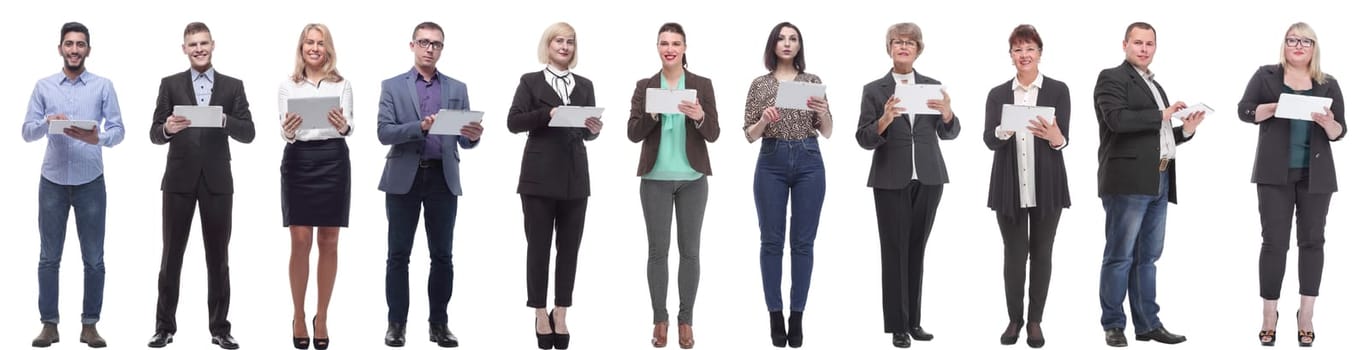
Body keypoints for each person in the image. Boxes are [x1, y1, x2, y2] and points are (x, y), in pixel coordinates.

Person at [1093, 21, 1206, 348]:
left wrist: (1185, 129)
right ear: (1125, 44)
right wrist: (1162, 114)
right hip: (1126, 181)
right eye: (1138, 43)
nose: (1144, 49)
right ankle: (1113, 324)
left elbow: (1158, 137)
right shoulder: (1111, 78)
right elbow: (1117, 120)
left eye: (1149, 44)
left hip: (1159, 177)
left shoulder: (1155, 85)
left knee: (1148, 257)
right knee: (1120, 256)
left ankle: (1147, 324)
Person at [147, 21, 256, 350]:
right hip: (179, 180)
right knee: (171, 257)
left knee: (218, 258)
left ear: (212, 45)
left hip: (218, 182)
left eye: (203, 43)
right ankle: (164, 327)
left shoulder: (232, 87)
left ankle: (220, 329)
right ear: (184, 49)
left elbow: (249, 132)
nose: (198, 49)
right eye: (192, 44)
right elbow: (154, 133)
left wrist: (224, 119)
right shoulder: (170, 85)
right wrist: (166, 128)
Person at [1237, 22, 1344, 348]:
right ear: (1284, 45)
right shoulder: (1265, 76)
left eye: (1305, 41)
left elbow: (1341, 131)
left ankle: (1306, 315)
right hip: (1274, 175)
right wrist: (1273, 108)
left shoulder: (1328, 84)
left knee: (1313, 242)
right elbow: (1244, 111)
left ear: (1314, 48)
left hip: (1316, 176)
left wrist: (1328, 123)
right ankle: (1270, 315)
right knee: (1274, 243)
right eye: (1292, 40)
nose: (1298, 45)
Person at [377, 21, 484, 349]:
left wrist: (473, 137)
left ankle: (439, 323)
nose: (429, 48)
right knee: (398, 255)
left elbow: (463, 140)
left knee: (442, 256)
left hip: (442, 177)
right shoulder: (393, 86)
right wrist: (419, 127)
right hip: (403, 178)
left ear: (442, 49)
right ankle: (396, 324)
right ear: (412, 46)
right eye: (423, 42)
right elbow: (384, 133)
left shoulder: (457, 88)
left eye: (436, 44)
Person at [854, 22, 960, 349]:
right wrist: (885, 120)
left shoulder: (932, 86)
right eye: (897, 42)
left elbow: (950, 132)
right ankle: (897, 326)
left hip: (928, 177)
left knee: (916, 250)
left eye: (909, 43)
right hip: (890, 179)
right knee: (894, 251)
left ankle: (914, 321)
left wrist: (947, 114)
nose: (903, 47)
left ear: (918, 49)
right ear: (889, 48)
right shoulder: (875, 89)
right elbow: (863, 137)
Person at [22, 21, 124, 349]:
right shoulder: (43, 87)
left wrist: (100, 137)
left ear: (88, 50)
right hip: (52, 182)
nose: (75, 49)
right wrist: (45, 124)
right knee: (49, 257)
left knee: (94, 258)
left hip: (90, 182)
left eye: (81, 44)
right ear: (60, 49)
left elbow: (119, 129)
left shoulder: (103, 86)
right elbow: (26, 131)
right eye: (69, 44)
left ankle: (90, 326)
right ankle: (49, 325)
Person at [506, 22, 603, 350]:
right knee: (538, 247)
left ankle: (561, 310)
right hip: (539, 175)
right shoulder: (530, 82)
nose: (565, 46)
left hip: (575, 176)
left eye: (570, 42)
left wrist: (593, 128)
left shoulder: (585, 85)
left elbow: (588, 132)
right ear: (547, 45)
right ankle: (539, 312)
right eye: (559, 41)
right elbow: (513, 122)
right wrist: (547, 112)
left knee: (570, 248)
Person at [627, 22, 720, 350]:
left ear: (684, 48)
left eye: (676, 43)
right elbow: (632, 133)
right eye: (664, 43)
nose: (670, 48)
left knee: (690, 252)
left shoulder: (701, 85)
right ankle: (659, 319)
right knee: (657, 252)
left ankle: (686, 321)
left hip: (693, 179)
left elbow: (714, 133)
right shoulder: (645, 86)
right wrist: (651, 115)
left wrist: (699, 116)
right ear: (657, 47)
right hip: (655, 180)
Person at [741, 21, 832, 349]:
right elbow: (749, 135)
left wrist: (822, 111)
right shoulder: (760, 84)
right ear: (773, 44)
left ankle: (797, 316)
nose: (787, 43)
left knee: (803, 243)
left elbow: (828, 131)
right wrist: (765, 120)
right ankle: (775, 314)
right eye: (781, 38)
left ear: (799, 46)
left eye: (793, 39)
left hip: (809, 158)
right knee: (771, 242)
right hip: (771, 160)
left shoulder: (812, 81)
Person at [981, 24, 1070, 349]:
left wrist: (1056, 138)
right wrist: (1004, 129)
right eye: (1018, 49)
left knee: (1042, 253)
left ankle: (1035, 321)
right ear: (1011, 55)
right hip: (1009, 184)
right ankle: (1014, 319)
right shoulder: (998, 94)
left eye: (1029, 49)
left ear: (1040, 53)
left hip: (1047, 184)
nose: (1024, 55)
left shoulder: (1058, 90)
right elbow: (990, 140)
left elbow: (1064, 139)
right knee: (1014, 255)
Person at [278, 23, 353, 350]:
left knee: (330, 239)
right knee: (300, 239)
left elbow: (350, 124)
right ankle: (297, 314)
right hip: (300, 160)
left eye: (320, 43)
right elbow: (284, 130)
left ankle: (321, 316)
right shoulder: (287, 85)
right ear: (301, 47)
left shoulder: (343, 83)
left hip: (333, 159)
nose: (314, 48)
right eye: (309, 42)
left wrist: (344, 124)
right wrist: (289, 130)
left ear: (328, 48)